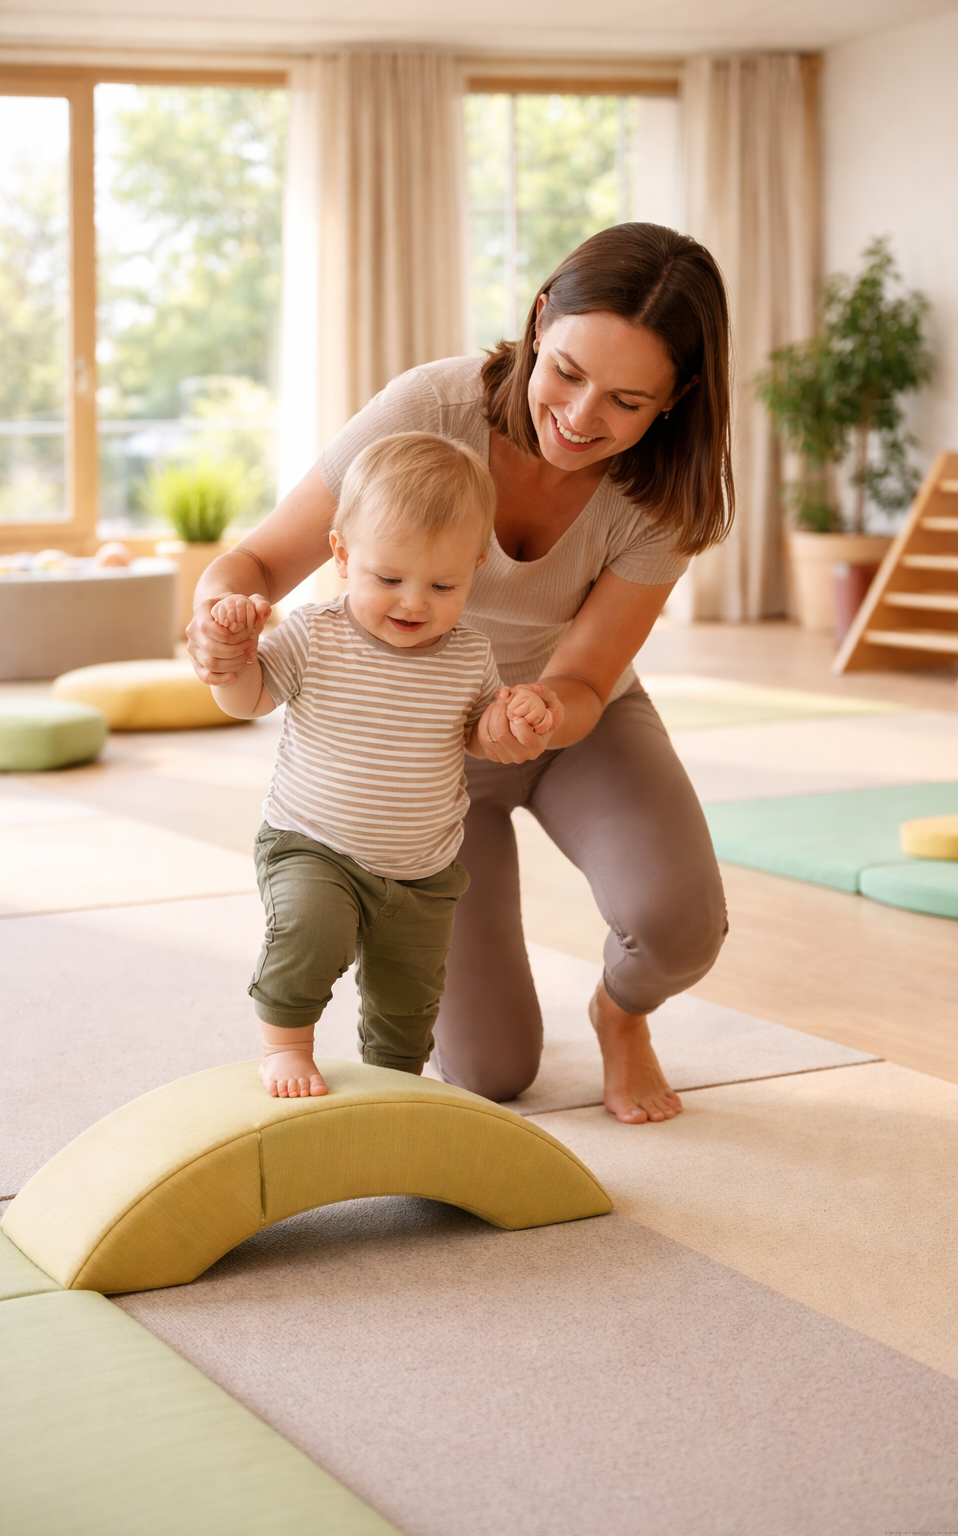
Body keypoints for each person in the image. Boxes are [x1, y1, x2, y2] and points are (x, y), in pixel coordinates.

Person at [189, 222, 733, 1125]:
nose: (582, 416)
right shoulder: (430, 410)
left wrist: (531, 717)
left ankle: (621, 1016)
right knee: (492, 1073)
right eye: (565, 371)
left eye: (628, 401)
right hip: (423, 758)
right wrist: (217, 624)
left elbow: (588, 678)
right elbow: (253, 564)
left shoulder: (664, 494)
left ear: (675, 401)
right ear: (537, 319)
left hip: (563, 722)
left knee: (680, 932)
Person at [208, 431, 553, 1099]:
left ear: (475, 568)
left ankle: (392, 1083)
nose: (414, 602)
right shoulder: (314, 634)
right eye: (388, 578)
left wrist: (509, 720)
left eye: (443, 583)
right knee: (309, 932)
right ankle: (285, 1047)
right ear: (342, 555)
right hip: (313, 845)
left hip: (423, 869)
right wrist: (232, 654)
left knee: (410, 997)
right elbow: (246, 699)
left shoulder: (469, 655)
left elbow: (478, 737)